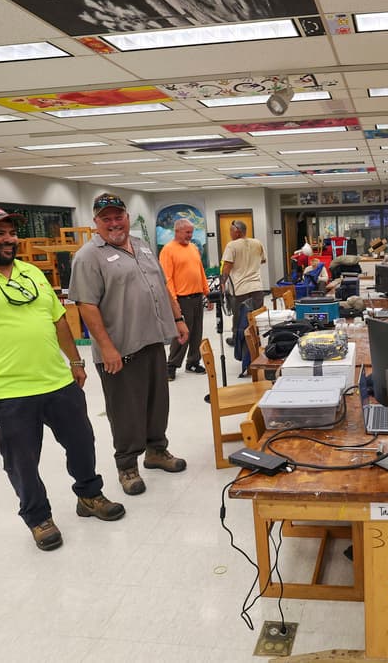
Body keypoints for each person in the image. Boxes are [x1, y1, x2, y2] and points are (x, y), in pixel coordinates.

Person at [0, 205, 125, 552]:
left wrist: (75, 361)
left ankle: (89, 496)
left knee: (82, 444)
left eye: (12, 233)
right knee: (22, 461)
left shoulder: (31, 273)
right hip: (6, 391)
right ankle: (38, 518)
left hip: (57, 382)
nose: (9, 240)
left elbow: (59, 320)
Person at [69, 193, 189, 498]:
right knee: (125, 411)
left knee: (156, 402)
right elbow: (86, 305)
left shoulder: (143, 246)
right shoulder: (88, 257)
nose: (113, 223)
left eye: (118, 216)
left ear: (127, 216)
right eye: (105, 218)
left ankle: (156, 451)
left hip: (152, 340)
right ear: (95, 222)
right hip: (119, 350)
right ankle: (126, 465)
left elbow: (162, 285)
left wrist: (178, 318)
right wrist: (107, 347)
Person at [159, 218, 211, 381]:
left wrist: (207, 292)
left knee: (197, 333)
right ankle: (171, 365)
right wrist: (174, 302)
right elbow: (167, 279)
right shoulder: (168, 250)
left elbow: (200, 271)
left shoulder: (193, 248)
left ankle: (193, 362)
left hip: (197, 297)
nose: (190, 235)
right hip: (181, 299)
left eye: (191, 232)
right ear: (177, 231)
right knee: (182, 333)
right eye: (187, 232)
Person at [221, 219, 266, 313]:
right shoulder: (257, 243)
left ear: (237, 232)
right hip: (256, 287)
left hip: (240, 289)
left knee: (241, 320)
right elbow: (263, 260)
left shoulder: (231, 246)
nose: (230, 234)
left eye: (231, 231)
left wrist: (222, 284)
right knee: (257, 317)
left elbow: (226, 267)